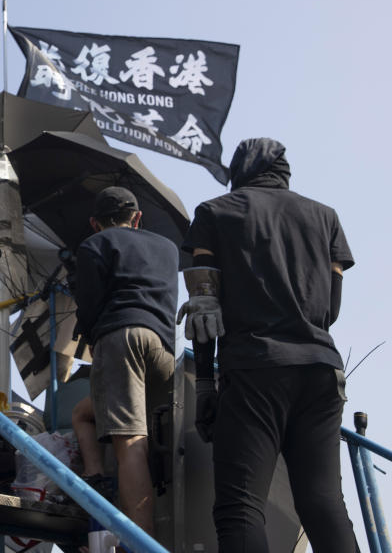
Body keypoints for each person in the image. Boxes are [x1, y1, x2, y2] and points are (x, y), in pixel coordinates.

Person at [178, 138, 357, 552]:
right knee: (323, 503)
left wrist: (205, 385)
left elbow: (205, 312)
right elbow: (329, 310)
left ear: (240, 169)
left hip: (255, 369)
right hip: (321, 371)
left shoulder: (214, 213)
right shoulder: (326, 217)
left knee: (239, 506)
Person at [68, 187, 177, 538]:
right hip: (163, 350)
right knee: (84, 414)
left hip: (121, 341)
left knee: (130, 443)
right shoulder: (168, 248)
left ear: (94, 223)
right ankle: (96, 478)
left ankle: (138, 542)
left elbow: (89, 309)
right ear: (138, 217)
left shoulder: (94, 245)